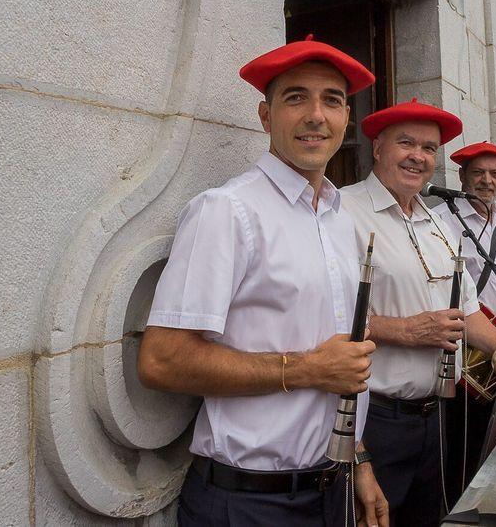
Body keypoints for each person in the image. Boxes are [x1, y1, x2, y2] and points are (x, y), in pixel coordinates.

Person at [137, 38, 388, 526]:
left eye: (332, 100)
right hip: (248, 503)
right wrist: (306, 369)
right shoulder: (228, 211)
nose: (316, 115)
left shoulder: (340, 220)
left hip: (329, 488)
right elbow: (162, 359)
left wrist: (358, 460)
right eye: (296, 97)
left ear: (346, 120)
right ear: (265, 117)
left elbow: (344, 366)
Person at [341, 99, 496, 527]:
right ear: (377, 148)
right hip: (372, 420)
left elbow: (468, 314)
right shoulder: (342, 212)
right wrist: (404, 331)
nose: (419, 156)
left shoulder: (436, 221)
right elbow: (317, 317)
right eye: (406, 143)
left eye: (429, 148)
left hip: (434, 419)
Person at [431, 141, 496, 503]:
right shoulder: (442, 221)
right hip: (464, 351)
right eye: (479, 173)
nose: (487, 181)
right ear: (461, 177)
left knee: (493, 436)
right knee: (460, 441)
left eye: (494, 173)